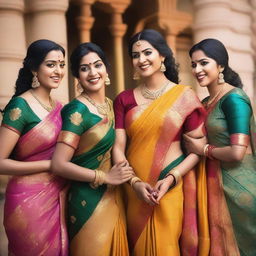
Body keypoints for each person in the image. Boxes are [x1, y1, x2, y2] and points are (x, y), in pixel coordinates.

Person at [113, 29, 210, 256]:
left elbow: (197, 150)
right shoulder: (124, 99)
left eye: (148, 52)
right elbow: (118, 147)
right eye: (136, 55)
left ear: (163, 56)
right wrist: (134, 183)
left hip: (170, 186)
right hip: (134, 189)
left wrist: (171, 178)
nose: (142, 59)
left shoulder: (184, 96)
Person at [51, 42, 133, 256]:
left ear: (106, 68)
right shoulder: (76, 111)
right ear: (76, 75)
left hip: (116, 197)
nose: (92, 72)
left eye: (97, 65)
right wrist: (104, 177)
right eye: (84, 68)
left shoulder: (110, 104)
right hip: (87, 202)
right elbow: (59, 164)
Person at [185, 38, 256, 255]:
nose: (197, 69)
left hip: (240, 190)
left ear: (221, 65)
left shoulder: (234, 99)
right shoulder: (206, 102)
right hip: (214, 185)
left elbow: (237, 152)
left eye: (204, 63)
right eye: (194, 65)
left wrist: (203, 150)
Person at [0, 39, 68, 255]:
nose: (58, 71)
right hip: (28, 202)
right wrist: (51, 164)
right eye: (51, 65)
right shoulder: (20, 106)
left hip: (59, 197)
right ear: (33, 68)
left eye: (61, 64)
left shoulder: (60, 108)